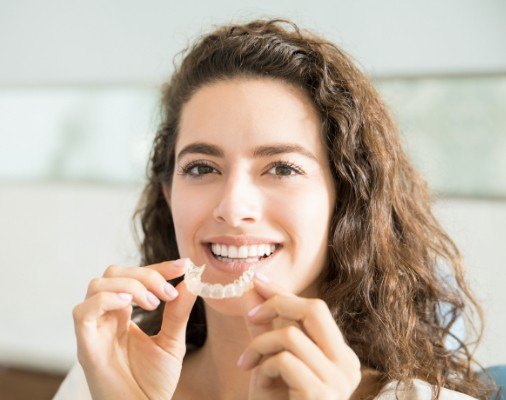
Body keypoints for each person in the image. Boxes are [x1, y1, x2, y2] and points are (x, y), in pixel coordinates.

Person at [53, 18, 499, 400]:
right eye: (202, 167)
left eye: (282, 168)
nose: (233, 207)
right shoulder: (102, 377)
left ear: (346, 200)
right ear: (169, 195)